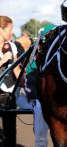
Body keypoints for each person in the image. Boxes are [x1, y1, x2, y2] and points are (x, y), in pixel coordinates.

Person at [16, 24, 56, 147]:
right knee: (38, 106)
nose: (43, 47)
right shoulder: (34, 58)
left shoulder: (57, 56)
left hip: (55, 101)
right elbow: (29, 82)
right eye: (43, 43)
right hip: (39, 99)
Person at [0, 15, 21, 147]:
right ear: (0, 30)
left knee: (10, 131)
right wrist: (2, 60)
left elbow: (17, 71)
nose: (12, 32)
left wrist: (29, 85)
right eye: (9, 29)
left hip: (8, 94)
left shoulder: (12, 46)